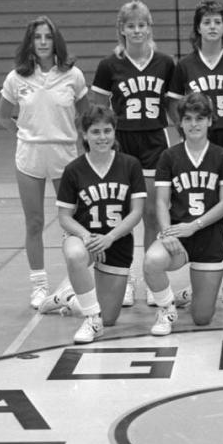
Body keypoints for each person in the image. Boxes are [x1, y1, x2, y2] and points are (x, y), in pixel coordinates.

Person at [167, 0, 223, 305]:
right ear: (198, 27)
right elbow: (173, 103)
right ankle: (203, 278)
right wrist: (185, 129)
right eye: (207, 22)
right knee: (201, 212)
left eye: (218, 21)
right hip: (197, 146)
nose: (212, 26)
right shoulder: (185, 65)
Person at [0, 14, 88, 309]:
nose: (44, 42)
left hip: (65, 157)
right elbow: (3, 116)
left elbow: (86, 118)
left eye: (48, 37)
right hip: (30, 158)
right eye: (38, 37)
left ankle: (73, 283)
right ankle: (39, 285)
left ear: (56, 40)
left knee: (71, 224)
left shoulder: (73, 75)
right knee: (34, 222)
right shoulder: (16, 78)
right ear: (30, 42)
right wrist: (24, 135)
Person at [89, 0, 176, 307]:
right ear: (121, 30)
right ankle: (123, 278)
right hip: (122, 144)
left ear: (149, 28)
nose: (137, 30)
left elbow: (175, 109)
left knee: (152, 213)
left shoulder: (166, 63)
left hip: (154, 142)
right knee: (122, 214)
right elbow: (97, 111)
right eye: (131, 25)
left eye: (142, 25)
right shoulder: (108, 66)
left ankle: (152, 278)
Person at [144, 91, 223, 336]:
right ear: (181, 123)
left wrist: (193, 226)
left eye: (199, 118)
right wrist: (166, 233)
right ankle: (166, 309)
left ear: (209, 120)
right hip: (178, 237)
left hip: (210, 238)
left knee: (202, 318)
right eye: (188, 118)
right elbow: (161, 202)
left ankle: (193, 293)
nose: (194, 124)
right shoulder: (169, 156)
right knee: (152, 261)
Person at [55, 106, 147, 343]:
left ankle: (68, 298)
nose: (102, 137)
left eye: (107, 130)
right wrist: (87, 237)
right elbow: (64, 216)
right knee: (75, 255)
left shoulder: (130, 165)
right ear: (84, 135)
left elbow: (136, 213)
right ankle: (91, 320)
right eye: (95, 131)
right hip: (85, 239)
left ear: (115, 132)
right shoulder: (73, 169)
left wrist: (109, 238)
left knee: (109, 318)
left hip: (116, 242)